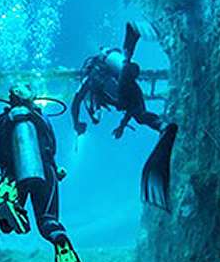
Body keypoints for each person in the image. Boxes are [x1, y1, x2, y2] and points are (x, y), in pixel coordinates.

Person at [0, 84, 109, 262]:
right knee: (49, 223)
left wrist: (10, 166)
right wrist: (53, 169)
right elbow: (51, 147)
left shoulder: (5, 120)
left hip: (14, 175)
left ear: (10, 99)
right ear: (33, 99)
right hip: (46, 172)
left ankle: (5, 199)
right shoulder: (41, 118)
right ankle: (64, 252)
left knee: (6, 225)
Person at [71, 22, 178, 210]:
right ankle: (162, 126)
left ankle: (129, 44)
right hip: (131, 89)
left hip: (125, 86)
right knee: (140, 116)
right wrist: (121, 125)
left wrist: (76, 123)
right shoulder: (103, 76)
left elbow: (75, 102)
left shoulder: (90, 78)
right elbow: (129, 107)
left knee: (126, 89)